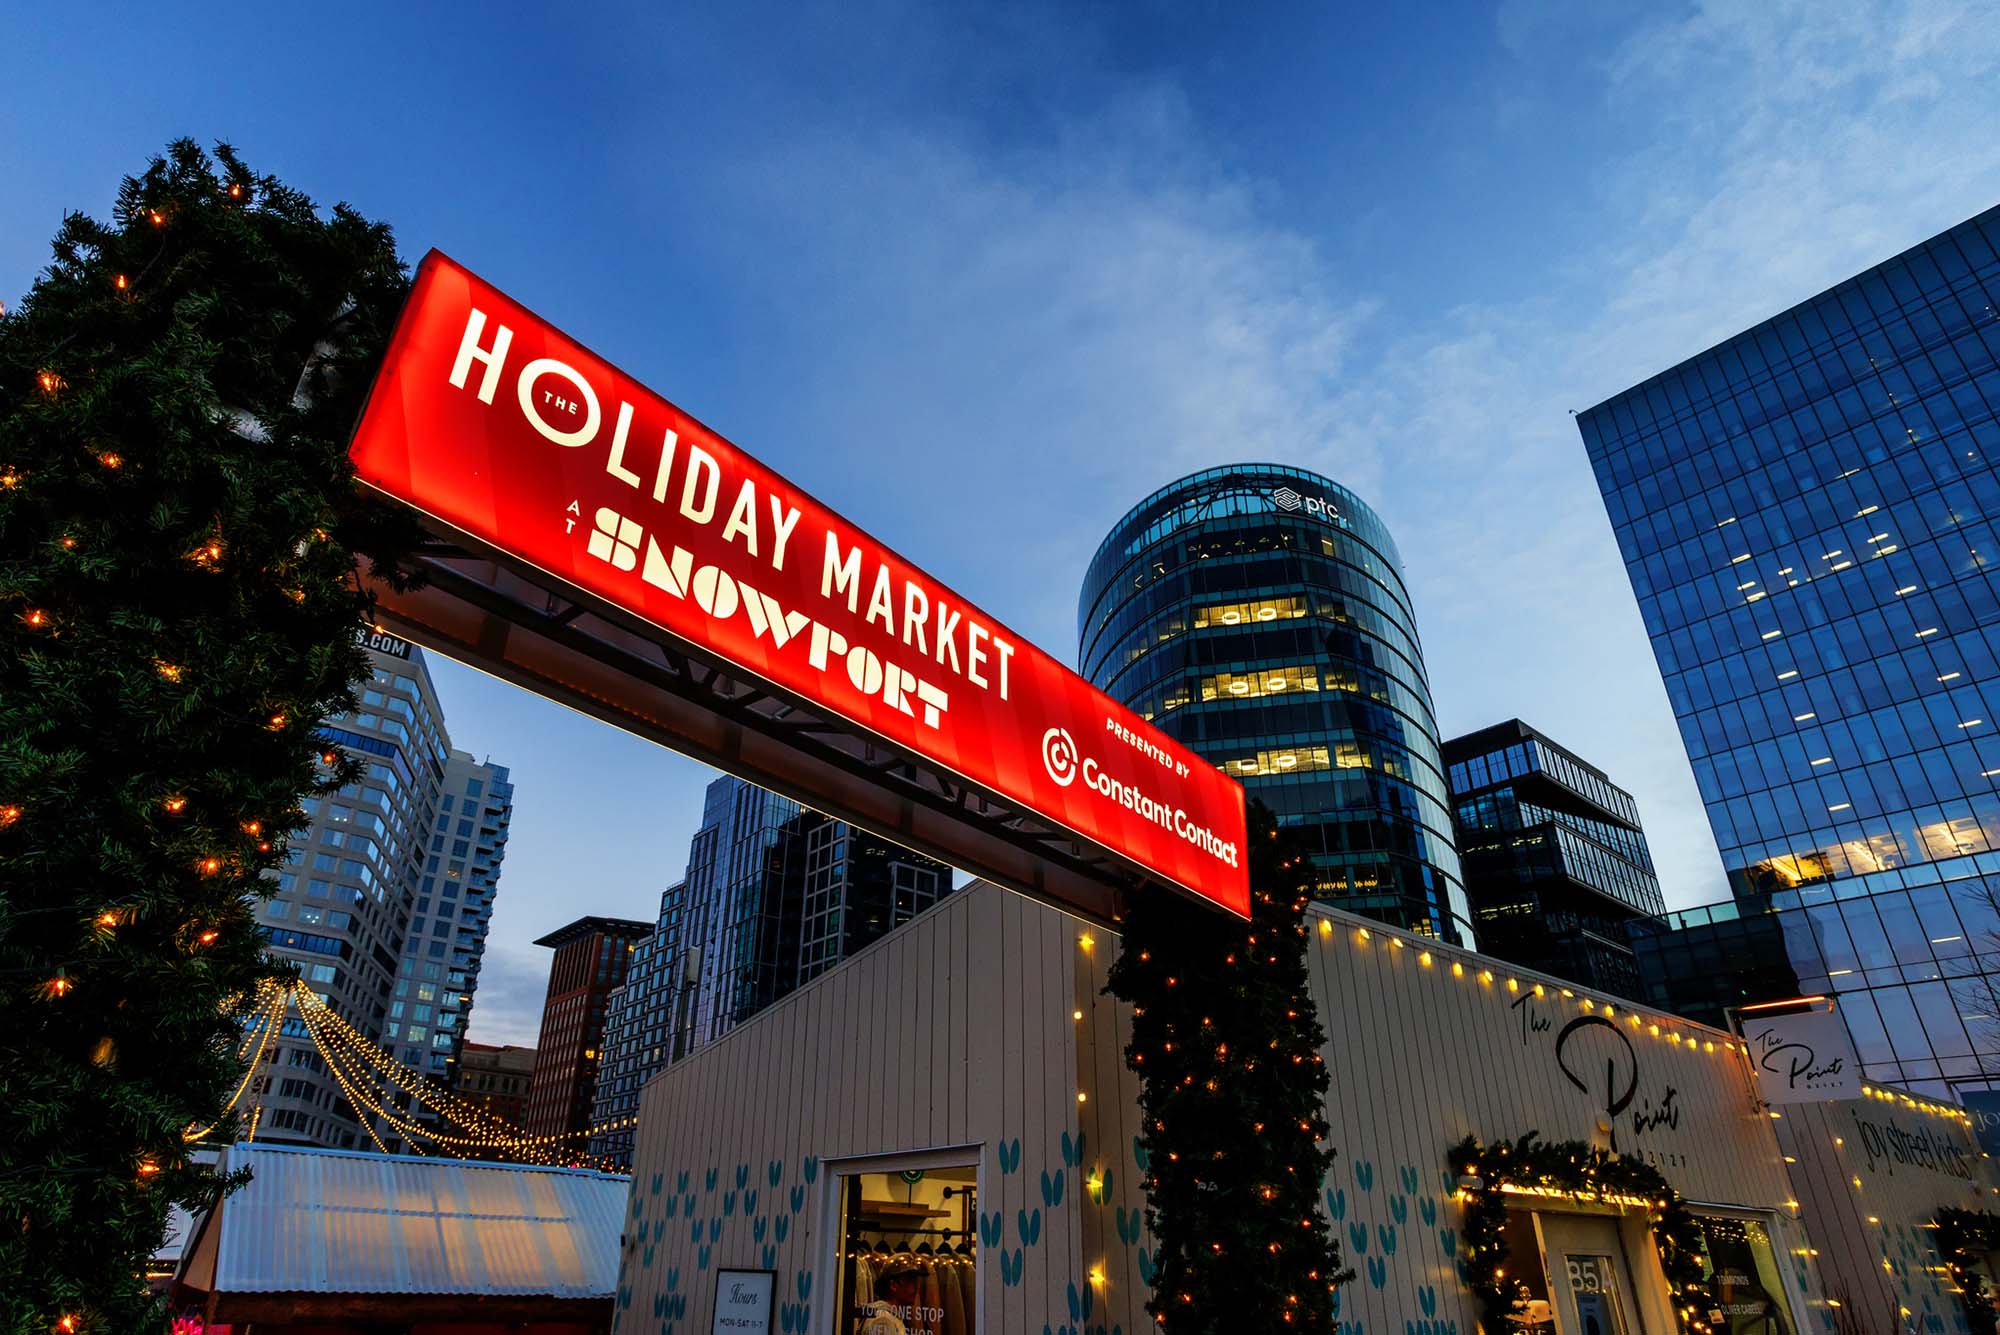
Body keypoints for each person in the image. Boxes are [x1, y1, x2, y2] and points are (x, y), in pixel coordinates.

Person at [858, 1264, 925, 1335]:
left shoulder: (889, 1316)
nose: (916, 1287)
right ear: (893, 1285)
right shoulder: (883, 1320)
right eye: (911, 1281)